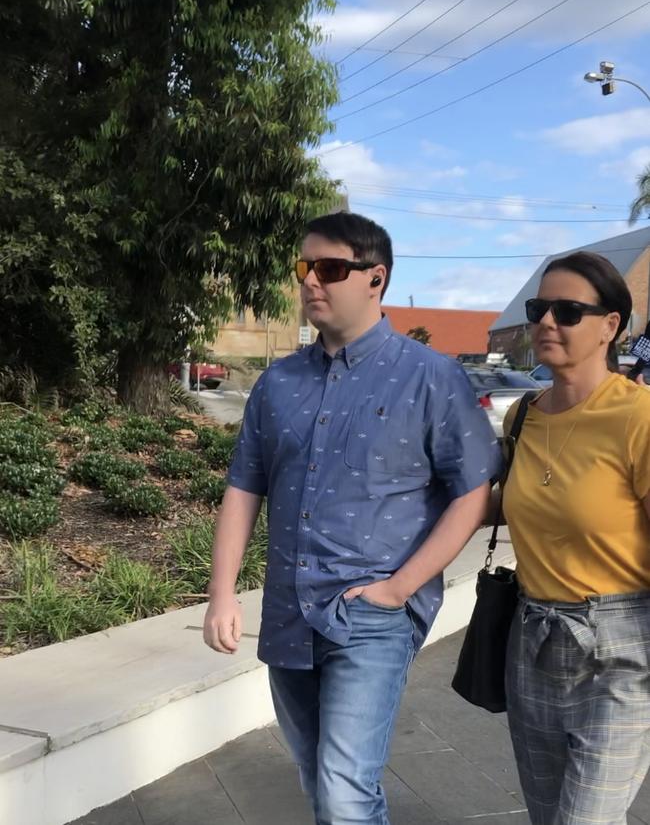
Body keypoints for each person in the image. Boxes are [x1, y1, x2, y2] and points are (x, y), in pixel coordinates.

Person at [203, 211, 502, 825]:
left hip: (373, 611)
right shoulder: (277, 383)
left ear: (376, 278)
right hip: (289, 607)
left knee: (343, 789)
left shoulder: (432, 377)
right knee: (321, 777)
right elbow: (243, 487)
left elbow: (472, 492)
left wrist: (401, 588)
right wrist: (222, 594)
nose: (312, 281)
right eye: (304, 267)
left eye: (331, 268)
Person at [502, 250, 650, 825]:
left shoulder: (637, 417)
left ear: (610, 326)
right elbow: (504, 503)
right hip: (532, 638)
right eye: (541, 308)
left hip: (620, 650)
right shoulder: (523, 416)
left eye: (568, 312)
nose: (546, 323)